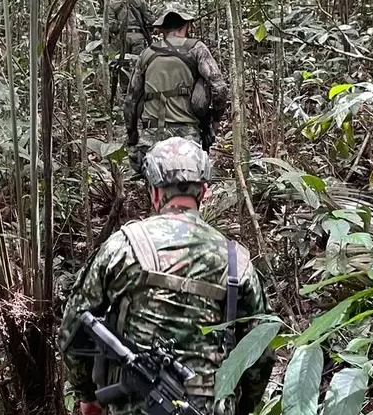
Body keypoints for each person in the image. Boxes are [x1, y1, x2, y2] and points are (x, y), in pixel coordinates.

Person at [57, 136, 274, 415]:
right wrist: (243, 407)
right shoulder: (237, 262)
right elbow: (260, 353)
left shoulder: (122, 247)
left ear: (155, 193)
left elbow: (72, 328)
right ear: (204, 192)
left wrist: (87, 395)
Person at [124, 4, 229, 174]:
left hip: (151, 134)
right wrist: (215, 122)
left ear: (163, 29)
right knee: (193, 179)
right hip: (187, 134)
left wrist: (132, 136)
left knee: (147, 177)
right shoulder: (197, 49)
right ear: (186, 26)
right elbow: (219, 88)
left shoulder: (147, 54)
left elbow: (131, 100)